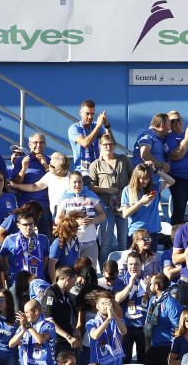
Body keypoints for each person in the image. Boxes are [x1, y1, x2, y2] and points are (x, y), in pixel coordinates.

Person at [89, 134, 131, 262]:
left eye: (111, 144)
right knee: (106, 243)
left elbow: (132, 179)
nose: (108, 147)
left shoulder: (124, 160)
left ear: (115, 145)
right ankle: (104, 272)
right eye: (105, 144)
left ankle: (123, 270)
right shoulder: (96, 164)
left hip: (123, 206)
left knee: (123, 242)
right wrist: (106, 190)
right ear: (100, 146)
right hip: (105, 207)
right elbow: (90, 186)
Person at [10, 298, 57, 365]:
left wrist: (28, 326)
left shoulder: (48, 325)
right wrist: (23, 330)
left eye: (27, 312)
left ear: (36, 312)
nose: (25, 315)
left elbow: (40, 340)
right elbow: (11, 344)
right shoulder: (25, 326)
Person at [87, 291, 127, 365]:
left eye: (109, 303)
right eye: (103, 303)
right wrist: (108, 320)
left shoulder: (118, 321)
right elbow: (94, 335)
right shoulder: (91, 322)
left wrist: (113, 315)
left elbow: (124, 331)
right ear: (97, 306)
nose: (106, 306)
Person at [120, 164, 174, 242]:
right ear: (136, 178)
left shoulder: (154, 187)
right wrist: (141, 202)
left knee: (151, 254)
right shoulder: (127, 190)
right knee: (136, 254)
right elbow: (125, 214)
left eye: (147, 178)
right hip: (136, 232)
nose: (145, 181)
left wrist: (155, 170)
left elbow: (171, 181)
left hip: (152, 232)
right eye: (142, 178)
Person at [68, 100, 108, 175]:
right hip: (82, 172)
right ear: (80, 113)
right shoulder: (74, 128)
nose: (90, 117)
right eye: (87, 114)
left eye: (92, 114)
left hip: (98, 170)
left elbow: (108, 141)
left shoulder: (95, 126)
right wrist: (98, 126)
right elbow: (85, 143)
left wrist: (107, 125)